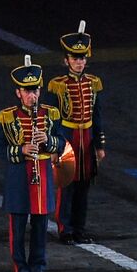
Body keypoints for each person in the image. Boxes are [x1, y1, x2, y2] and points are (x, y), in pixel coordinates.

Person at [0, 55, 66, 272]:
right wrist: (21, 149)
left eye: (35, 91)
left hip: (42, 172)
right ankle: (20, 269)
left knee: (40, 224)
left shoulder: (51, 114)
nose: (32, 96)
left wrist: (49, 141)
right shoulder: (6, 117)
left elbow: (62, 142)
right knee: (17, 225)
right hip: (18, 174)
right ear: (18, 93)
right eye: (27, 91)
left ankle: (37, 268)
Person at [47, 21, 105, 245]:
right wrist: (55, 146)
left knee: (84, 185)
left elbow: (97, 115)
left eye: (82, 58)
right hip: (68, 139)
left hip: (87, 139)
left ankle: (79, 228)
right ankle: (65, 228)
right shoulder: (57, 85)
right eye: (75, 58)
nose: (79, 62)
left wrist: (99, 145)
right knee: (67, 185)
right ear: (66, 60)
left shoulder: (93, 83)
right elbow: (52, 118)